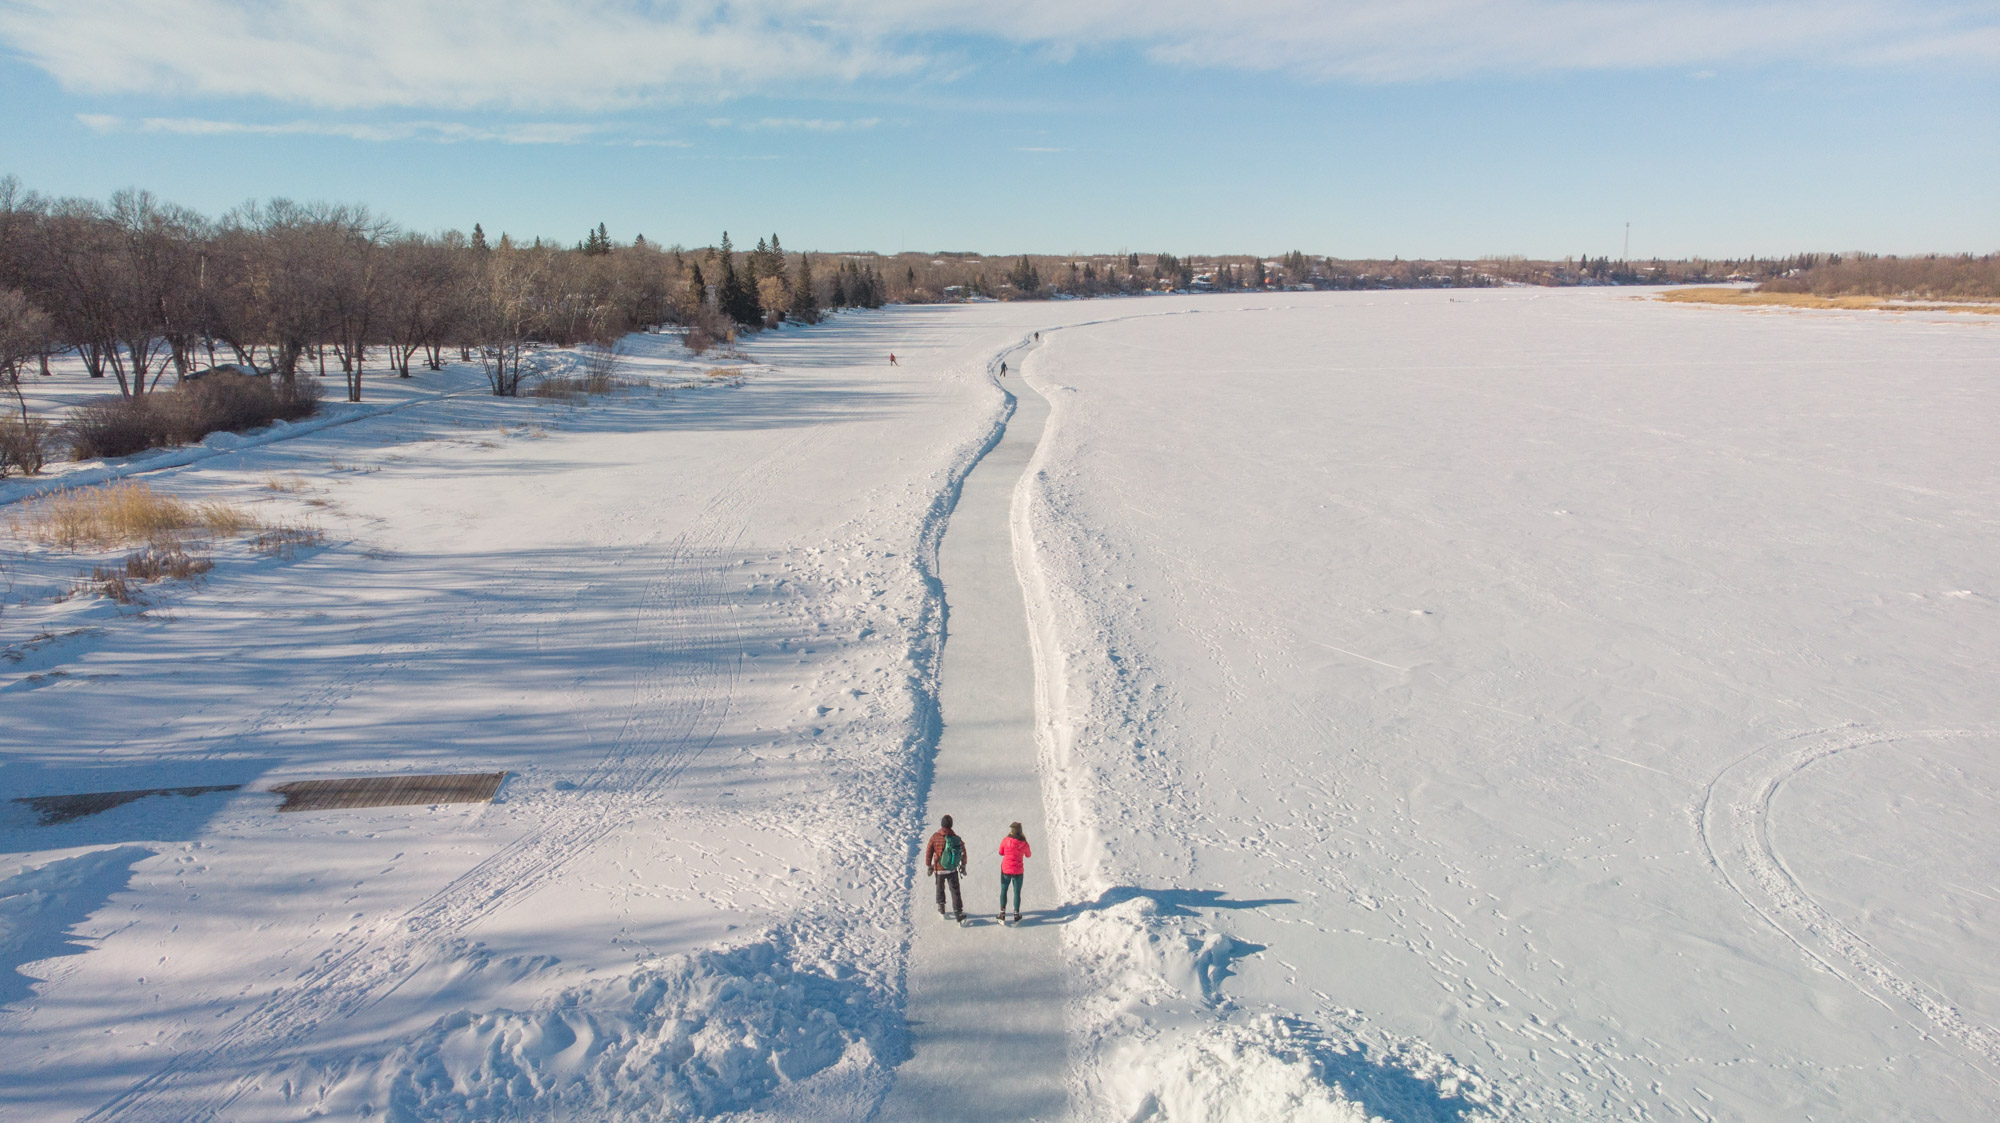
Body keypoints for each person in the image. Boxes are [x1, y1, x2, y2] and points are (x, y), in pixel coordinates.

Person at [924, 814, 966, 920]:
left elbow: (929, 851)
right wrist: (963, 865)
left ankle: (941, 906)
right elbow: (963, 852)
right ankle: (958, 912)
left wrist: (929, 865)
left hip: (939, 869)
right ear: (951, 825)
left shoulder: (935, 837)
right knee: (955, 890)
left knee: (939, 888)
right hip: (952, 869)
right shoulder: (956, 838)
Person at [998, 822, 1031, 922]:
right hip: (1018, 871)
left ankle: (1002, 913)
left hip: (1006, 870)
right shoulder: (1024, 843)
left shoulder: (1005, 840)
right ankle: (1016, 914)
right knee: (1017, 892)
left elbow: (1000, 852)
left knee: (1004, 890)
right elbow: (1028, 855)